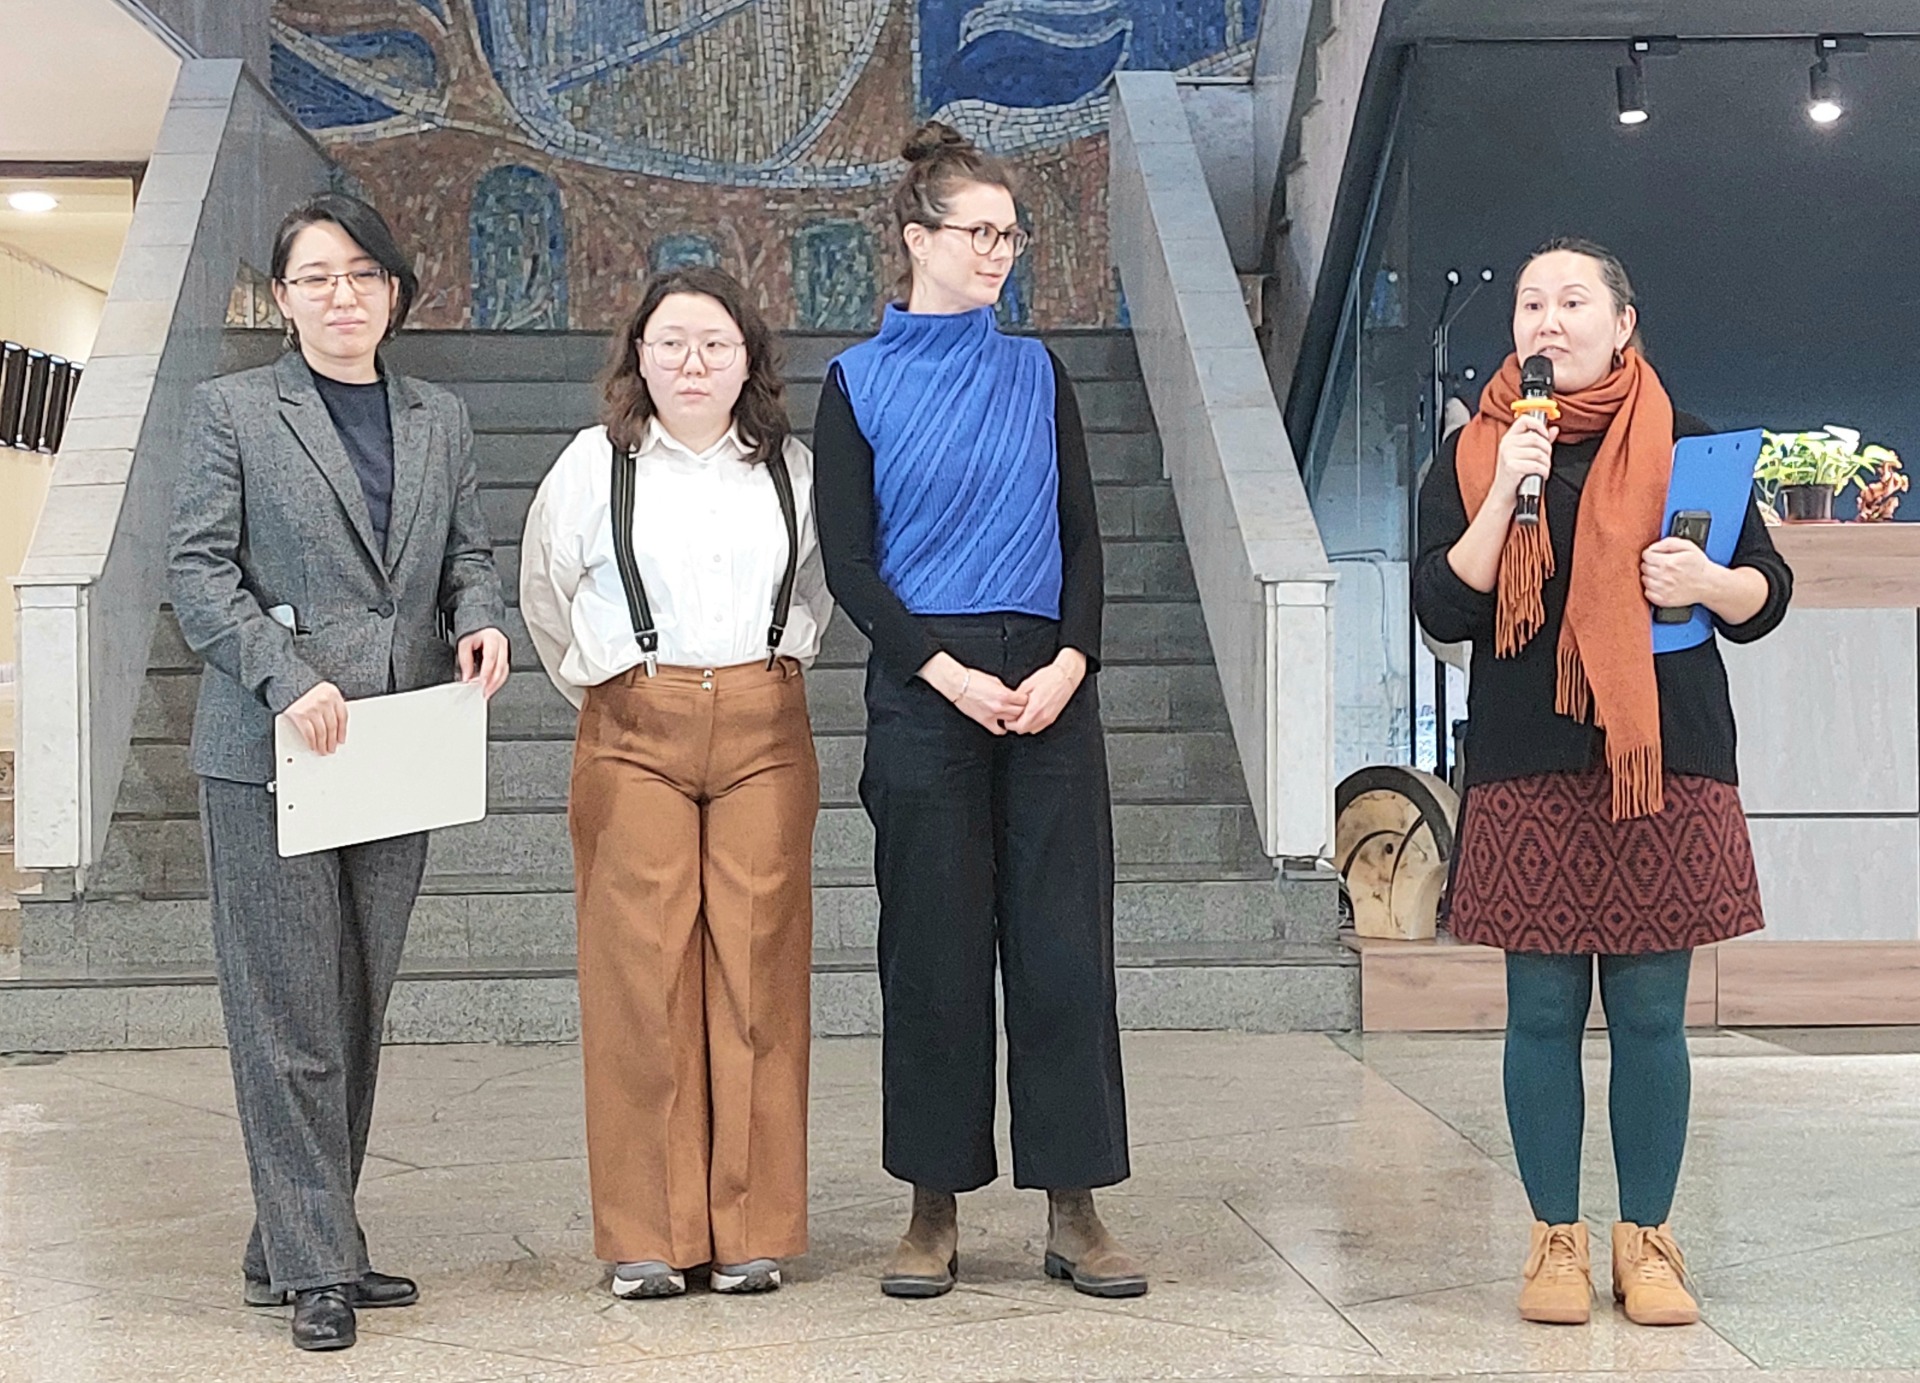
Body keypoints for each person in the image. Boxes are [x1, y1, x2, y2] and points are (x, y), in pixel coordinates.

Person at [1413, 237, 1792, 1328]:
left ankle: (1649, 1241)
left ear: (1622, 324)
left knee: (1651, 1012)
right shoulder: (1477, 454)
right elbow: (1443, 606)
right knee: (1539, 1010)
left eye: (1573, 301)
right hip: (1528, 759)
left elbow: (1767, 595)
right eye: (1531, 302)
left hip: (1659, 760)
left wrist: (1709, 580)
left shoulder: (1690, 441)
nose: (1548, 320)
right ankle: (1555, 1238)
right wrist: (1505, 492)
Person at [168, 193, 510, 1352]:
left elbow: (467, 553)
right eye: (316, 276)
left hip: (398, 743)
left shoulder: (438, 419)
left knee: (358, 1007)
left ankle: (291, 1237)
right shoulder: (233, 412)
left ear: (394, 293)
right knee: (291, 1015)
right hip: (276, 751)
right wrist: (284, 675)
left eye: (363, 274)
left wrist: (481, 617)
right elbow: (199, 573)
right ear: (282, 298)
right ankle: (319, 1263)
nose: (342, 295)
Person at [813, 121, 1143, 1301]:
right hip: (925, 688)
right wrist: (943, 673)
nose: (999, 252)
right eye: (980, 233)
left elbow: (1085, 539)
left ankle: (1075, 1206)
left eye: (1010, 235)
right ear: (918, 239)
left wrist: (1073, 662)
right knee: (933, 954)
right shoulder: (856, 383)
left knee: (1064, 951)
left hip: (1048, 683)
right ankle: (931, 1207)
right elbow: (850, 564)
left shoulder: (1037, 373)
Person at [519, 266, 830, 1300]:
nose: (693, 364)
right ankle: (647, 1234)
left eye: (715, 345)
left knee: (759, 971)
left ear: (749, 362)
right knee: (638, 972)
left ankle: (750, 1229)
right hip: (633, 724)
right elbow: (546, 598)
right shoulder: (589, 467)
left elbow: (817, 587)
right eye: (671, 344)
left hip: (763, 722)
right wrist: (613, 690)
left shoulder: (791, 470)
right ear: (638, 358)